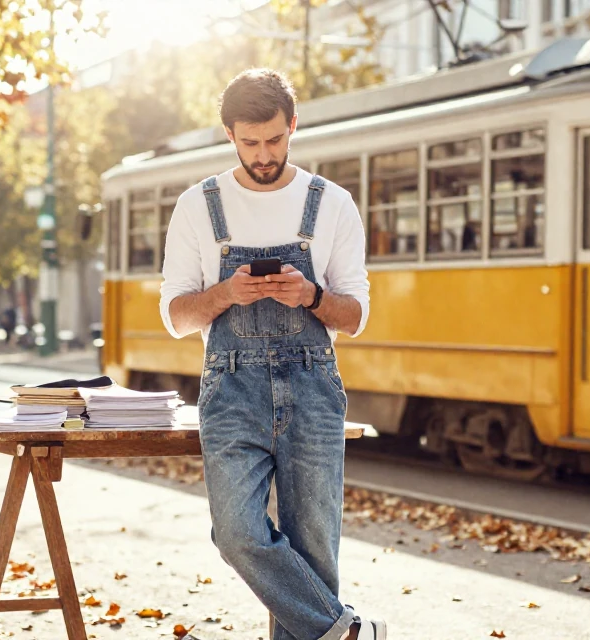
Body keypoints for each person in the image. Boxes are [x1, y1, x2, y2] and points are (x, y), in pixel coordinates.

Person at [159, 69, 380, 640]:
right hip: (231, 388)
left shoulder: (331, 204)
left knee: (314, 547)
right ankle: (345, 631)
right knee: (236, 534)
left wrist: (309, 296)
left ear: (293, 126)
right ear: (229, 133)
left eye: (275, 140)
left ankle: (331, 630)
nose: (264, 155)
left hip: (313, 384)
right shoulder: (196, 206)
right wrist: (224, 294)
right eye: (251, 142)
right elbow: (177, 317)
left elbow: (354, 317)